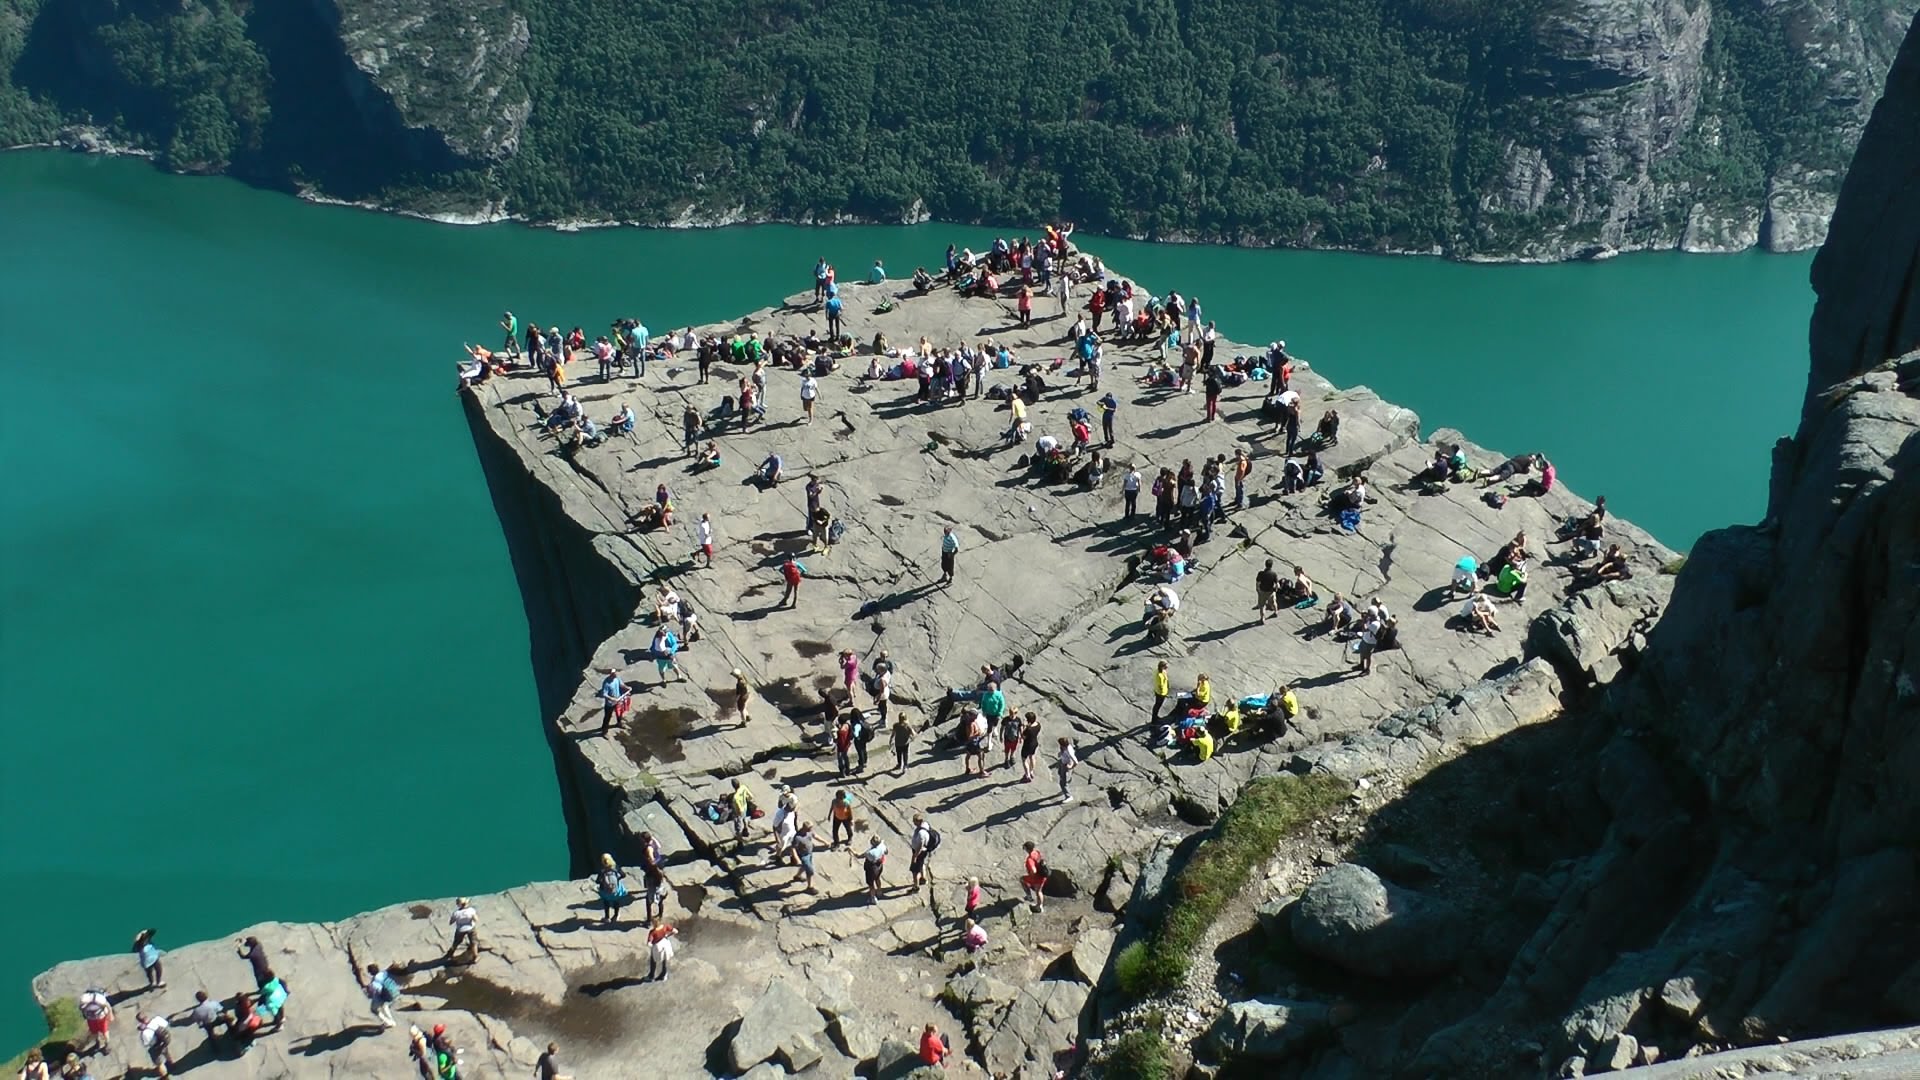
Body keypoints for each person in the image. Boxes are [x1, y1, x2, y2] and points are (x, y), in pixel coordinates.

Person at [639, 830, 671, 923]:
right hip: (659, 864)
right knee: (659, 893)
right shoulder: (653, 842)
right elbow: (659, 846)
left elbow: (651, 861)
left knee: (648, 900)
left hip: (653, 872)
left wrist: (649, 865)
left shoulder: (648, 848)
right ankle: (660, 914)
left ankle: (649, 921)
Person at [594, 854, 631, 924]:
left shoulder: (602, 870)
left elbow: (598, 881)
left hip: (605, 891)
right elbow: (624, 875)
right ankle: (616, 916)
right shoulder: (615, 867)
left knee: (606, 903)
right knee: (616, 901)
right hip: (615, 889)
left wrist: (603, 882)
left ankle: (607, 917)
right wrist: (617, 879)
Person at [135, 1012, 172, 1078]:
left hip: (155, 1047)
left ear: (140, 1021)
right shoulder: (157, 1019)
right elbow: (166, 1024)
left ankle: (165, 1076)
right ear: (146, 1016)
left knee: (159, 1063)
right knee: (166, 1052)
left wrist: (143, 1030)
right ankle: (171, 1064)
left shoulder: (145, 1033)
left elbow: (146, 1044)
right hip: (164, 1042)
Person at [77, 987, 113, 1054]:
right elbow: (107, 1006)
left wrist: (110, 1014)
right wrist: (110, 1014)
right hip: (94, 1017)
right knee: (95, 1031)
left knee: (104, 1032)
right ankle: (100, 1042)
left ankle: (106, 1044)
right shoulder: (98, 999)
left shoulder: (84, 999)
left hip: (100, 1017)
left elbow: (107, 1006)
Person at [365, 963, 401, 1029]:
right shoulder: (384, 973)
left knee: (374, 1009)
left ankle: (387, 1022)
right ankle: (392, 1021)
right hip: (395, 992)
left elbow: (377, 991)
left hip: (388, 995)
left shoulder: (375, 981)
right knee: (385, 1006)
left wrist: (370, 992)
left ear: (370, 972)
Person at [446, 898, 479, 963]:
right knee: (474, 943)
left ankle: (451, 953)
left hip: (460, 930)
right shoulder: (471, 910)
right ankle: (475, 957)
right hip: (470, 928)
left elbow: (451, 922)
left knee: (456, 942)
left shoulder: (456, 913)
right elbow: (476, 919)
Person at [596, 667, 626, 736]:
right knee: (607, 717)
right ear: (610, 674)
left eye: (615, 673)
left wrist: (627, 688)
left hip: (618, 700)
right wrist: (611, 699)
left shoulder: (617, 679)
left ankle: (619, 723)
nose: (615, 674)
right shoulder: (606, 683)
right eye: (614, 673)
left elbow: (621, 685)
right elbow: (604, 694)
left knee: (619, 713)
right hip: (610, 704)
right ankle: (604, 731)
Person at [1021, 842, 1050, 911]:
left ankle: (1029, 897)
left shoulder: (1030, 859)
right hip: (1043, 876)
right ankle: (1040, 905)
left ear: (1027, 849)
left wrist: (1031, 875)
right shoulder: (1037, 852)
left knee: (1022, 879)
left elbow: (1033, 870)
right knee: (1039, 891)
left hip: (1037, 878)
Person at [909, 814, 936, 887]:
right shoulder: (925, 824)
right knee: (921, 864)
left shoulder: (921, 833)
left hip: (919, 852)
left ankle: (916, 886)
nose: (913, 822)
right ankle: (923, 878)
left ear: (919, 821)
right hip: (922, 851)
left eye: (915, 821)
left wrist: (915, 856)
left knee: (915, 871)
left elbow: (920, 846)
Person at [728, 777, 756, 843]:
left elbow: (738, 808)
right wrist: (746, 800)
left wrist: (736, 813)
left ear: (733, 786)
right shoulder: (743, 787)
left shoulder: (735, 798)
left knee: (738, 827)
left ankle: (739, 841)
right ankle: (746, 830)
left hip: (739, 812)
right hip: (745, 806)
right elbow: (751, 796)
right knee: (745, 818)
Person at [862, 834, 888, 901]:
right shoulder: (882, 846)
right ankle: (879, 891)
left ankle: (873, 898)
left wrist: (850, 850)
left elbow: (858, 856)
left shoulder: (870, 853)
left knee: (871, 884)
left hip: (871, 869)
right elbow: (886, 852)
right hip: (879, 866)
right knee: (877, 878)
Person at [1055, 736, 1079, 802]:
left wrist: (1071, 767)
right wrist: (1060, 754)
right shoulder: (1064, 748)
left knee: (1062, 783)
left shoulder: (1069, 751)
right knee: (1060, 773)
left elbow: (1076, 762)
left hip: (1066, 765)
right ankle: (1064, 789)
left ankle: (1069, 796)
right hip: (1062, 763)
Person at [1019, 712, 1042, 782]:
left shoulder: (1028, 729)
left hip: (1027, 745)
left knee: (1024, 759)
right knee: (1032, 757)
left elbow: (1023, 737)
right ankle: (1031, 771)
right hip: (1034, 743)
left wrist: (1022, 728)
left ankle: (1027, 775)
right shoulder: (1038, 725)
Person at [1150, 659, 1170, 724]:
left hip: (1160, 691)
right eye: (1166, 665)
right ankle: (1154, 719)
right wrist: (1163, 694)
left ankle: (1155, 716)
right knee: (1158, 705)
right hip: (1160, 693)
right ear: (1162, 666)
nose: (1167, 666)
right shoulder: (1159, 675)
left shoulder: (1161, 671)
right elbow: (1160, 686)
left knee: (1157, 705)